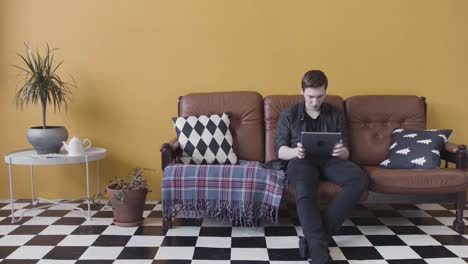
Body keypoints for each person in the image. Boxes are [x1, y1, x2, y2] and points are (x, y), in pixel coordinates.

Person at [275, 70, 368, 264]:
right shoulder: (289, 114)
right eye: (310, 97)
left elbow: (347, 153)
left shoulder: (335, 114)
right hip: (300, 160)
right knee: (304, 189)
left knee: (359, 179)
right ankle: (319, 253)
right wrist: (295, 152)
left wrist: (340, 151)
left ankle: (314, 241)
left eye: (320, 96)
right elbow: (280, 151)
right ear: (302, 91)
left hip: (330, 160)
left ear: (325, 92)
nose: (315, 102)